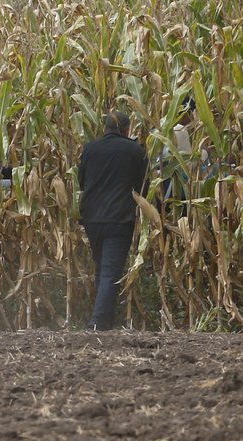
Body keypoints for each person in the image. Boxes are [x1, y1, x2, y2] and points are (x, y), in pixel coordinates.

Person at [77, 110, 149, 330]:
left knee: (101, 268)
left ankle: (105, 319)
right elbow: (143, 186)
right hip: (119, 218)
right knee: (110, 271)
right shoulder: (135, 150)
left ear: (105, 128)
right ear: (127, 130)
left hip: (92, 218)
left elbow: (82, 181)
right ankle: (98, 322)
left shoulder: (90, 149)